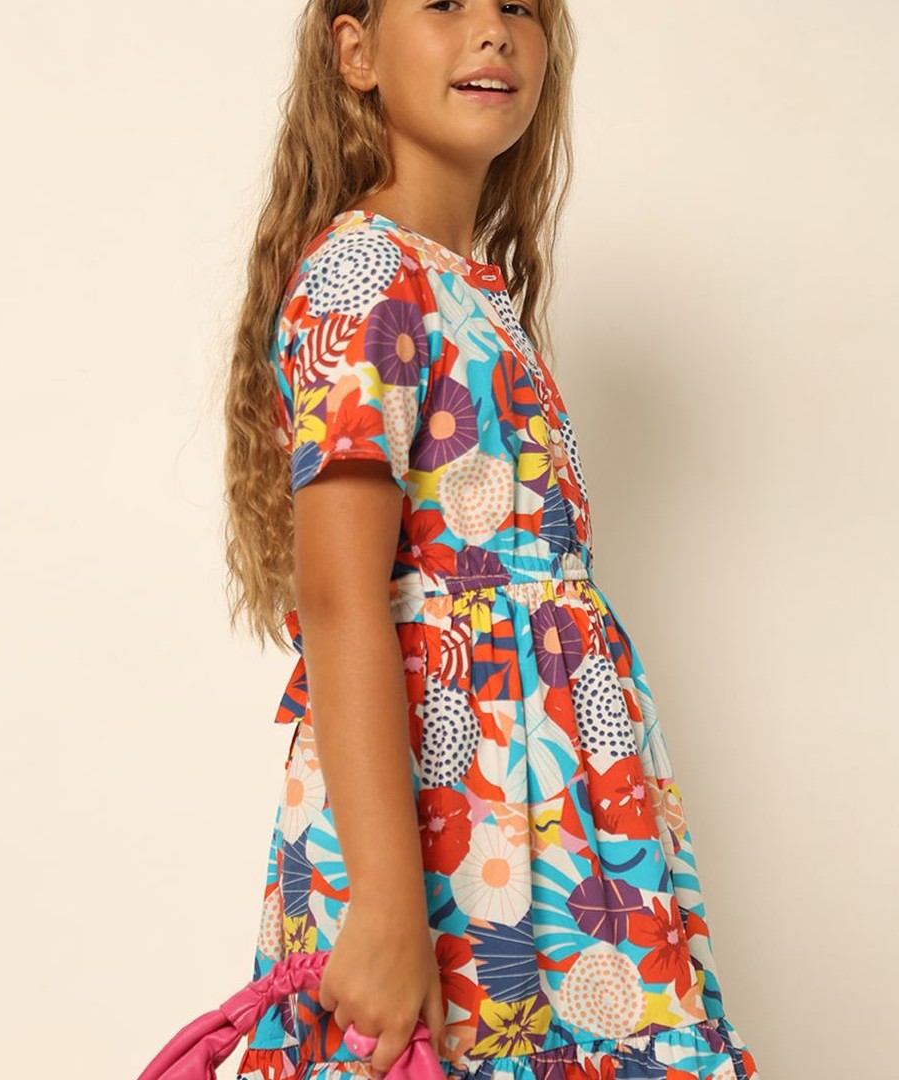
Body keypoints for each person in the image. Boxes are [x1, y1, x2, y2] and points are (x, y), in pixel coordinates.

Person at [221, 3, 760, 1079]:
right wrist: (387, 905)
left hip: (545, 816)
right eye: (445, 3)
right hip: (446, 827)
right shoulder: (367, 275)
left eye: (519, 5)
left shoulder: (464, 285)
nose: (494, 30)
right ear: (356, 52)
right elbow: (340, 596)